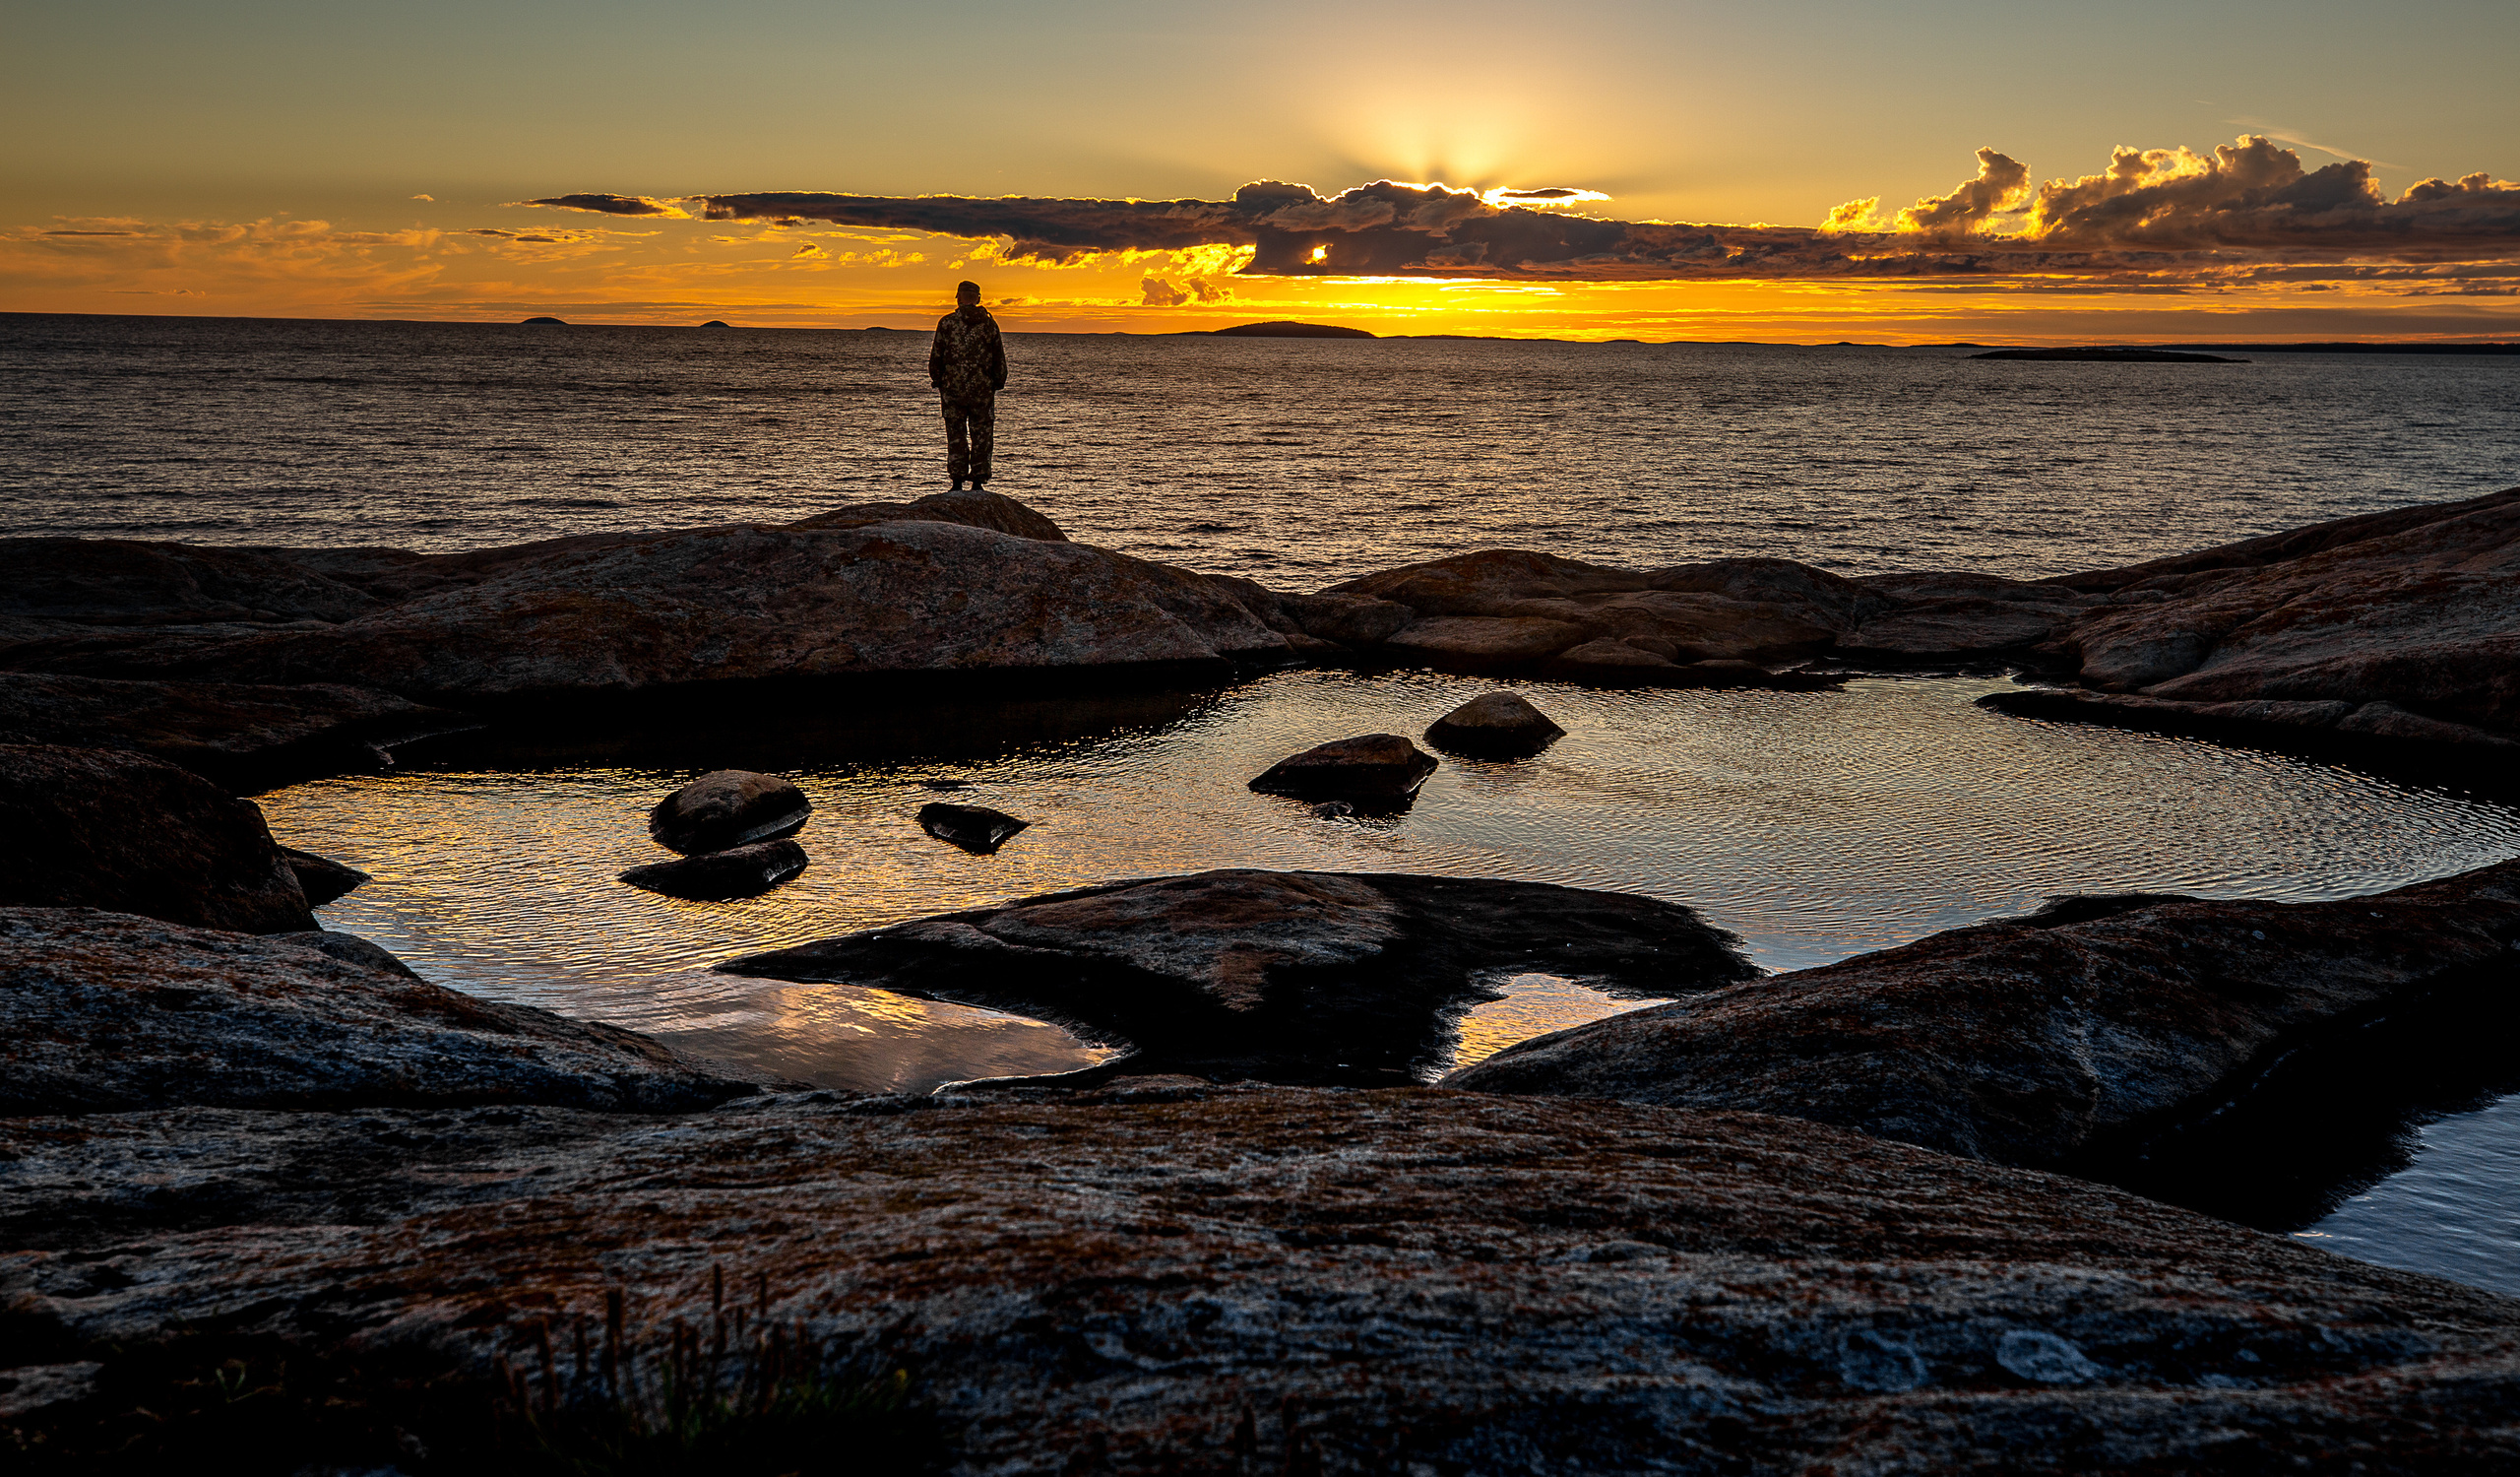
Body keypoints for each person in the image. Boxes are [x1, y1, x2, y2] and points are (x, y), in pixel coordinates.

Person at [927, 281, 1007, 489]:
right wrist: (997, 382)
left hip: (953, 390)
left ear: (959, 298)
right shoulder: (990, 325)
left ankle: (957, 479)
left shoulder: (947, 324)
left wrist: (939, 380)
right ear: (978, 299)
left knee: (956, 434)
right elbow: (999, 359)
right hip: (982, 391)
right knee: (982, 435)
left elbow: (936, 357)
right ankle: (979, 480)